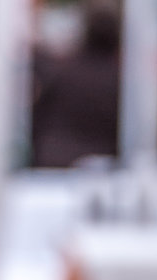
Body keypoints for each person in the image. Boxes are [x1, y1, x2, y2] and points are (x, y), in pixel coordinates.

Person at [31, 0, 122, 170]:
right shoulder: (121, 81)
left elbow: (39, 116)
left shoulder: (62, 71)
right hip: (101, 166)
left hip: (54, 163)